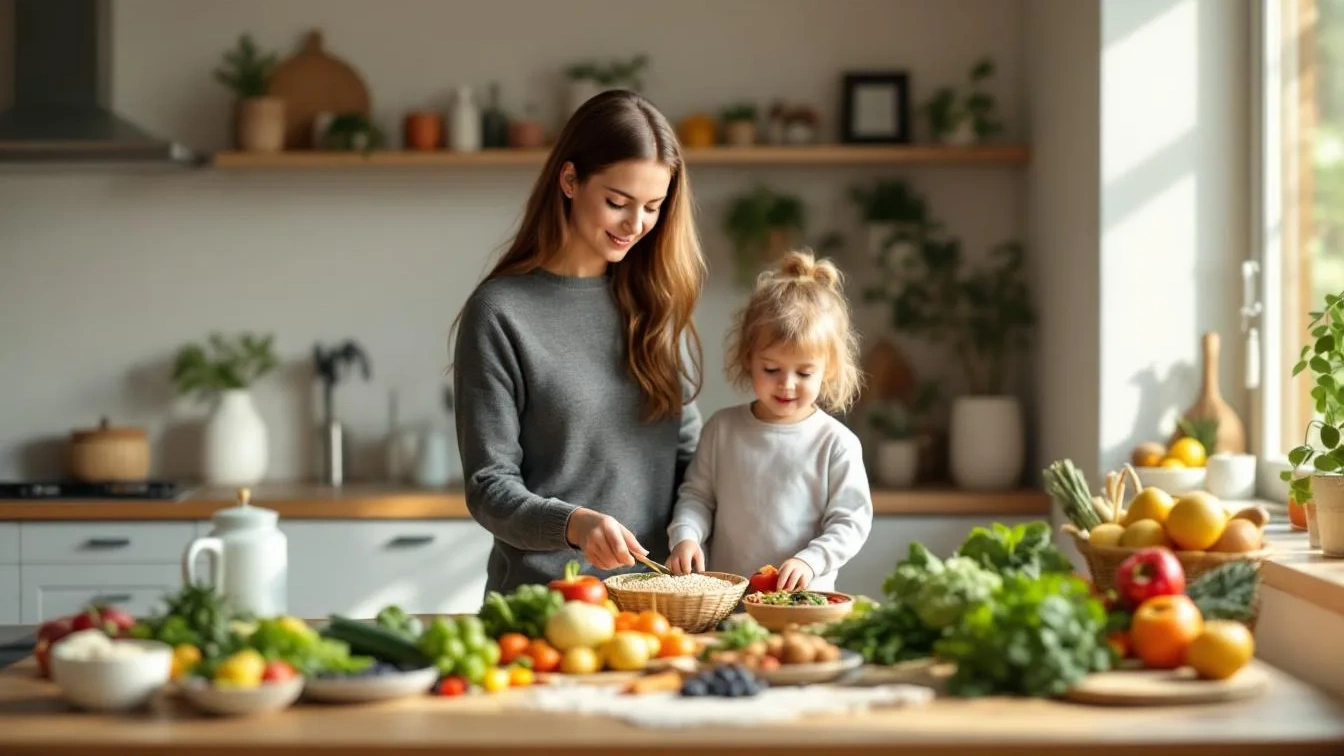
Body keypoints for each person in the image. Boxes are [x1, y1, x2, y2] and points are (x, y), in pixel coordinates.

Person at [450, 90, 706, 595]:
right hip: (545, 606)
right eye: (617, 203)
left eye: (653, 208)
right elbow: (489, 488)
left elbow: (689, 457)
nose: (636, 226)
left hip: (656, 607)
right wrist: (575, 524)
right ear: (569, 181)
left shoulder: (651, 301)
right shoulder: (501, 312)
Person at [665, 250, 873, 592]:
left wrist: (811, 560)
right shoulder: (722, 429)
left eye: (804, 372)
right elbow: (697, 497)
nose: (787, 383)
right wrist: (685, 537)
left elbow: (850, 522)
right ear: (748, 360)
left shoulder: (836, 443)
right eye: (771, 369)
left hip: (804, 603)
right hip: (728, 603)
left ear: (829, 369)